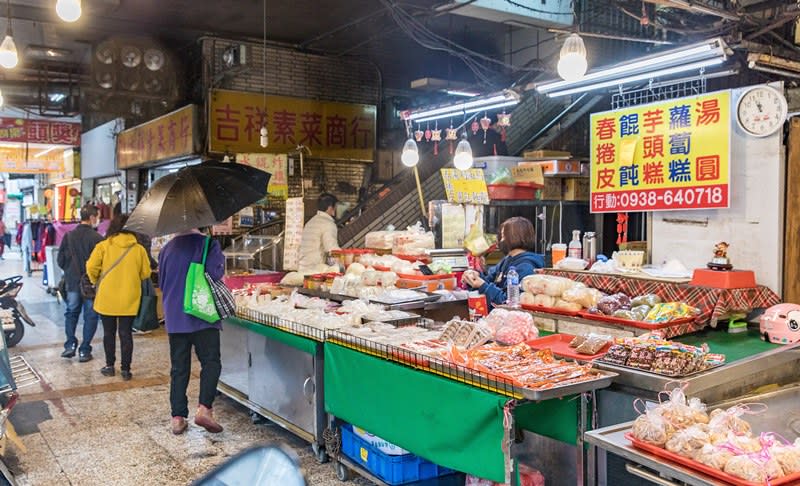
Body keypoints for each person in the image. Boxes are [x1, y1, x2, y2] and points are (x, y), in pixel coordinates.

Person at [158, 227, 225, 435]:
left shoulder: (166, 249)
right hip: (202, 314)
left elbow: (161, 282)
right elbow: (216, 273)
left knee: (179, 367)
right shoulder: (208, 244)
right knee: (211, 362)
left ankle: (177, 418)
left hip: (175, 317)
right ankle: (204, 409)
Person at [86, 214, 151, 381]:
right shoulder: (139, 249)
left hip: (106, 297)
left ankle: (109, 366)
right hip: (129, 297)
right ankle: (126, 370)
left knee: (108, 333)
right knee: (125, 333)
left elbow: (91, 266)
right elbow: (145, 273)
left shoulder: (103, 246)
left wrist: (96, 280)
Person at [462, 216, 544, 307]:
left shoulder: (526, 267)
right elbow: (489, 280)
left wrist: (482, 285)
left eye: (503, 236)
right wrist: (474, 276)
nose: (500, 241)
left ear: (514, 237)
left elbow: (509, 301)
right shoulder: (506, 260)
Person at [57, 205, 103, 361]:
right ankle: (84, 350)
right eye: (98, 216)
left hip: (72, 283)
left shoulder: (68, 236)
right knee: (91, 316)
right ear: (91, 218)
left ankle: (70, 344)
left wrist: (71, 272)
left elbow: (60, 260)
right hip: (91, 284)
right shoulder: (97, 239)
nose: (98, 220)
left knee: (71, 313)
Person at [298, 193, 339, 272]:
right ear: (330, 208)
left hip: (302, 268)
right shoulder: (328, 224)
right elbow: (332, 249)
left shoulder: (310, 222)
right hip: (315, 271)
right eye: (336, 207)